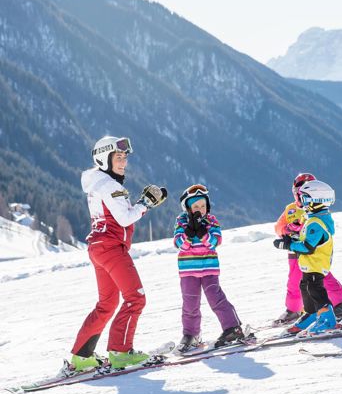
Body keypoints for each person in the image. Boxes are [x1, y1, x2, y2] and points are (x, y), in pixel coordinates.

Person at [70, 136, 167, 371]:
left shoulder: (98, 183)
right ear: (104, 159)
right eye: (118, 157)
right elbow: (125, 218)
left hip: (99, 248)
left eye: (125, 157)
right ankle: (121, 352)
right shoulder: (109, 185)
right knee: (136, 298)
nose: (123, 162)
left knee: (107, 303)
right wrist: (145, 204)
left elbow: (116, 215)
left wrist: (141, 203)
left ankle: (82, 357)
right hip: (112, 249)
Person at [273, 173, 342, 325]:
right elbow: (278, 227)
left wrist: (301, 229)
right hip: (295, 252)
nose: (300, 196)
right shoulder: (290, 209)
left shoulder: (314, 209)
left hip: (313, 252)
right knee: (295, 281)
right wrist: (288, 230)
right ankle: (294, 309)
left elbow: (321, 228)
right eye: (298, 192)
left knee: (323, 278)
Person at [173, 184, 244, 353]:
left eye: (203, 206)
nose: (200, 210)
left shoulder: (211, 221)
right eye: (196, 206)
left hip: (209, 269)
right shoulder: (181, 222)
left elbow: (215, 242)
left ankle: (232, 327)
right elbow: (179, 245)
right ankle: (191, 334)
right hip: (188, 271)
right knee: (190, 303)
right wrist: (189, 233)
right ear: (187, 208)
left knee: (215, 298)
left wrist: (203, 232)